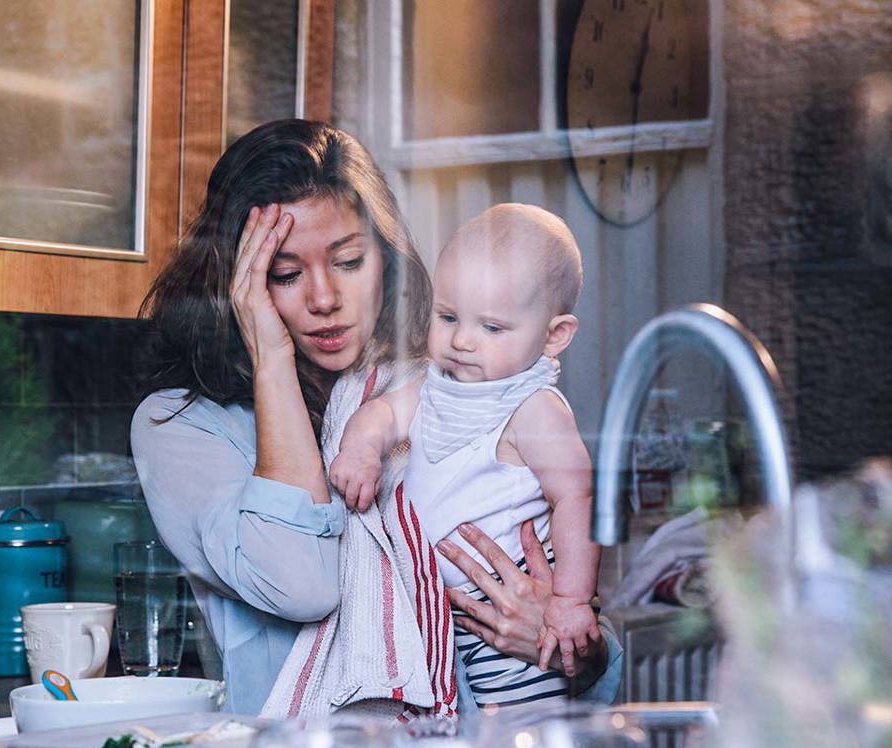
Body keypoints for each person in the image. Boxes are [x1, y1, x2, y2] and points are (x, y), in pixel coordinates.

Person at [130, 119, 619, 717]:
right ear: (238, 283)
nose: (324, 298)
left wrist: (567, 643)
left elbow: (591, 655)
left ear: (385, 260)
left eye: (349, 261)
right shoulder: (182, 427)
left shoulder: (445, 388)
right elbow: (302, 583)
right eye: (284, 274)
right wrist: (272, 357)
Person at [329, 204, 600, 712]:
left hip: (510, 615)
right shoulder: (437, 386)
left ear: (553, 335)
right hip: (444, 616)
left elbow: (577, 498)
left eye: (492, 328)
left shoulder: (532, 407)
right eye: (448, 317)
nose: (461, 340)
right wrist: (361, 449)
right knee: (461, 740)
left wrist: (569, 602)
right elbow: (383, 414)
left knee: (519, 735)